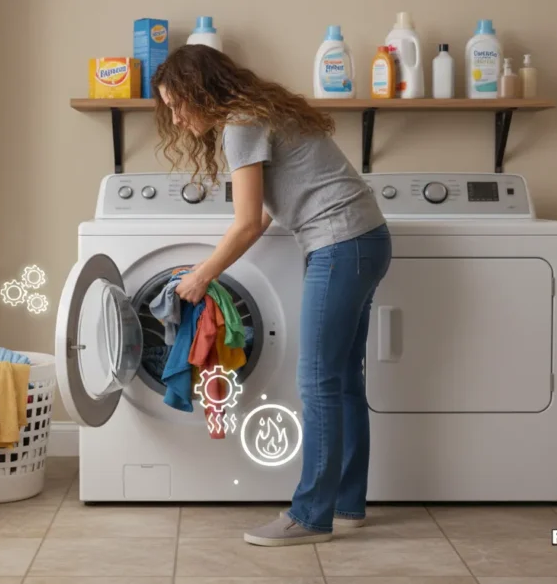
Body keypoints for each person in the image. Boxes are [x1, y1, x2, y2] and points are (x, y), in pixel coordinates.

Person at [151, 44, 392, 547]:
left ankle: (310, 516)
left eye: (177, 104)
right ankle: (345, 504)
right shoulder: (257, 113)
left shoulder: (240, 124)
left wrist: (199, 276)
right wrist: (214, 265)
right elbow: (259, 217)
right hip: (366, 239)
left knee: (319, 382)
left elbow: (244, 224)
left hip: (340, 244)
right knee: (344, 380)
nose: (174, 116)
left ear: (201, 92)